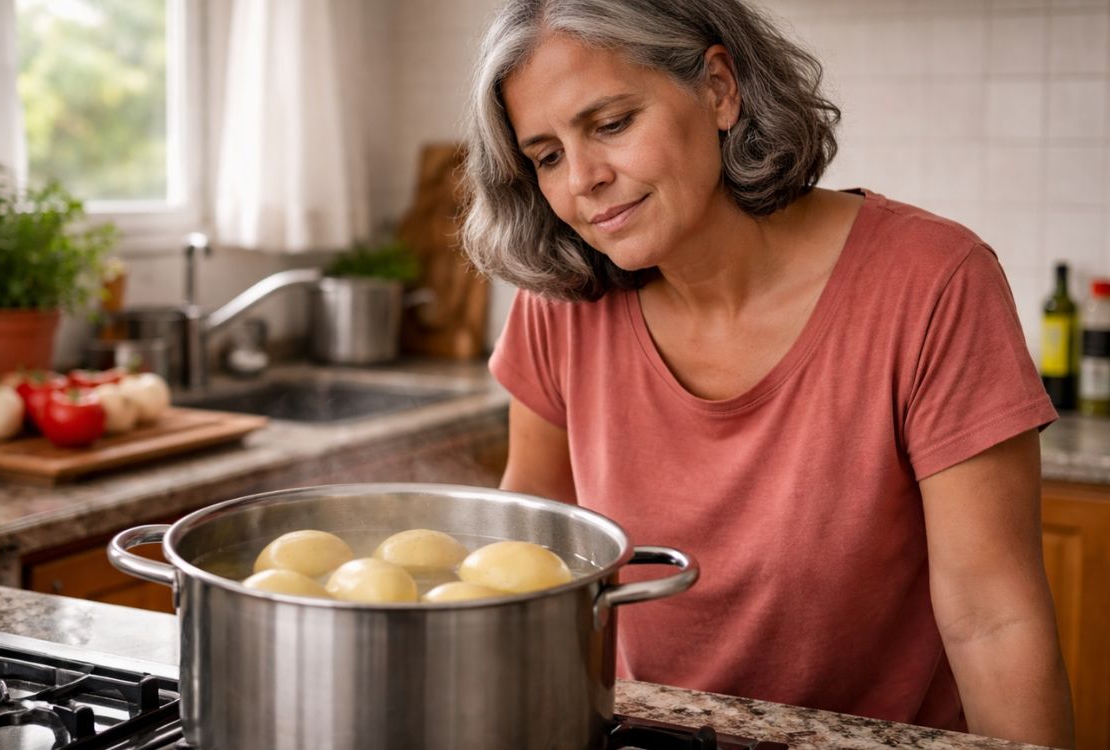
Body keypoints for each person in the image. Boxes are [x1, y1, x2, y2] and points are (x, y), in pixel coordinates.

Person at [459, 0, 1075, 746]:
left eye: (612, 123)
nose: (583, 178)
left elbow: (992, 619)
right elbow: (531, 567)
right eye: (547, 155)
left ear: (720, 89)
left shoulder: (933, 282)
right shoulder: (561, 304)